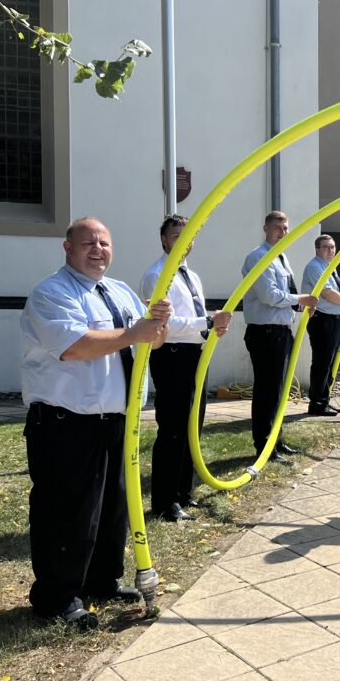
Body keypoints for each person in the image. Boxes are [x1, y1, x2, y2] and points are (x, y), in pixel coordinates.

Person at [21, 218, 172, 628]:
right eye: (88, 243)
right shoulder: (52, 293)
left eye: (104, 243)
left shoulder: (119, 291)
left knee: (110, 509)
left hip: (113, 420)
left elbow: (149, 340)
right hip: (66, 423)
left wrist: (157, 325)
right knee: (67, 510)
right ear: (67, 248)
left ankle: (102, 581)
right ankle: (57, 597)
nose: (98, 250)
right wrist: (136, 332)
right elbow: (73, 345)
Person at [141, 215, 233, 522]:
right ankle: (165, 502)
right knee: (173, 428)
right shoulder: (157, 274)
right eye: (176, 235)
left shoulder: (191, 275)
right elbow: (166, 323)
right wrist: (206, 321)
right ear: (164, 240)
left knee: (192, 425)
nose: (184, 241)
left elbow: (194, 317)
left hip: (194, 355)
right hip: (171, 355)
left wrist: (212, 325)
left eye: (188, 236)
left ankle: (183, 492)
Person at [241, 211, 318, 464]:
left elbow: (286, 293)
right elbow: (269, 295)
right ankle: (264, 446)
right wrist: (301, 299)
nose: (282, 232)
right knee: (267, 391)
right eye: (277, 228)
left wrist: (301, 305)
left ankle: (276, 439)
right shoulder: (258, 257)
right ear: (265, 228)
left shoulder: (280, 257)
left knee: (278, 391)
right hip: (265, 333)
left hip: (280, 332)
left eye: (285, 228)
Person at [302, 234, 340, 417]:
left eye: (332, 247)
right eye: (325, 247)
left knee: (328, 363)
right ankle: (317, 403)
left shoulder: (328, 267)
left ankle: (323, 401)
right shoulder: (315, 267)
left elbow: (334, 293)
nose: (330, 250)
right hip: (322, 320)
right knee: (322, 362)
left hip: (333, 320)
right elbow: (327, 293)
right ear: (317, 249)